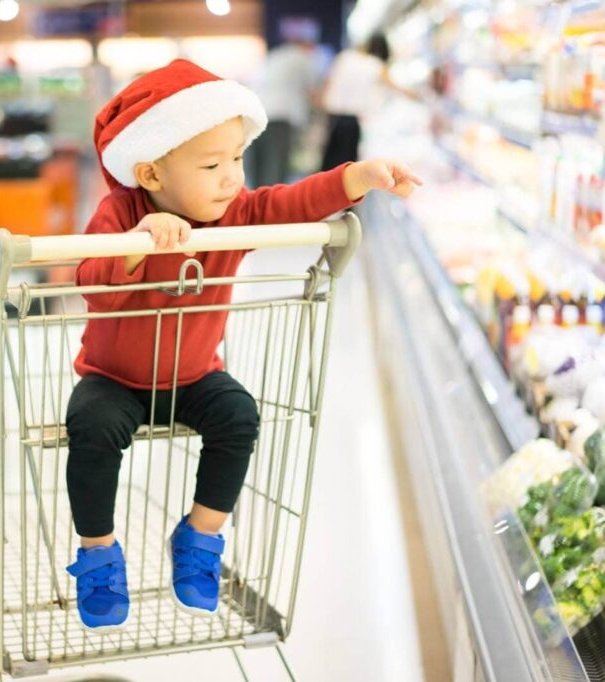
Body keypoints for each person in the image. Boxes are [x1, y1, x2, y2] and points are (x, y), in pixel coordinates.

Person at [65, 58, 421, 630]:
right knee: (90, 428)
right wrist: (139, 244)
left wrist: (358, 177)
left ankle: (200, 536)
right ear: (152, 174)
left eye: (236, 157)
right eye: (212, 164)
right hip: (115, 378)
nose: (232, 176)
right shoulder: (121, 212)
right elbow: (93, 287)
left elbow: (293, 202)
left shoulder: (234, 211)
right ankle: (99, 552)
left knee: (238, 414)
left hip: (194, 374)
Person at [246, 18, 322, 186]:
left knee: (259, 169)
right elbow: (313, 93)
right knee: (275, 168)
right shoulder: (303, 58)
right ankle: (269, 211)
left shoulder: (274, 56)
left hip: (258, 114)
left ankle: (255, 209)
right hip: (281, 118)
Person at [320, 33, 408, 170]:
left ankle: (323, 190)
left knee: (330, 159)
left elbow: (327, 83)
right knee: (345, 166)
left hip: (332, 115)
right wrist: (421, 96)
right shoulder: (375, 65)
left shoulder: (345, 57)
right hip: (351, 119)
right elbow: (396, 87)